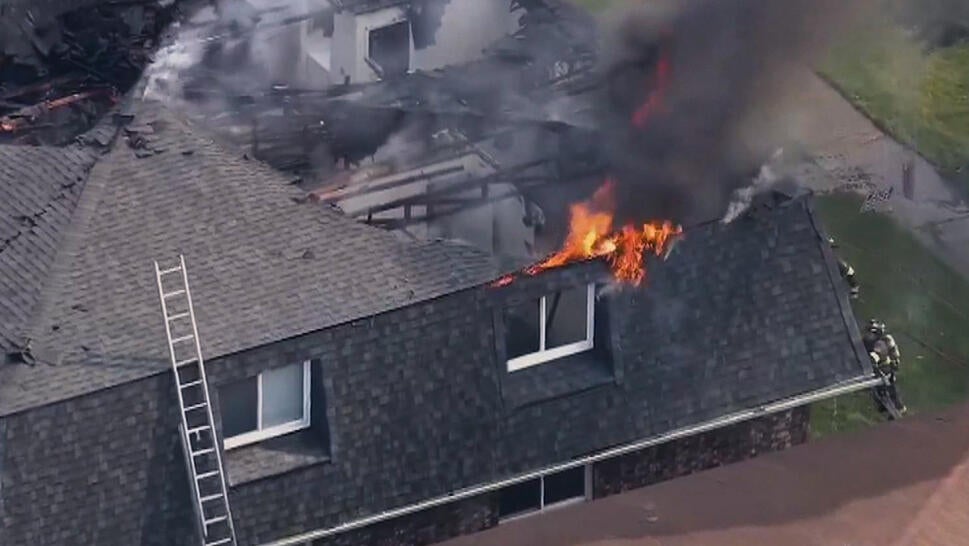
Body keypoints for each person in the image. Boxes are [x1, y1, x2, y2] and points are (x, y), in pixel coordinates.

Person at [863, 319, 906, 415]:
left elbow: (894, 353)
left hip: (886, 368)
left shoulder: (886, 340)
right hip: (875, 370)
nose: (870, 335)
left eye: (873, 333)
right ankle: (883, 407)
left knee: (891, 387)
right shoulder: (866, 342)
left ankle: (899, 407)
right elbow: (871, 356)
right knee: (877, 389)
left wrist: (895, 363)